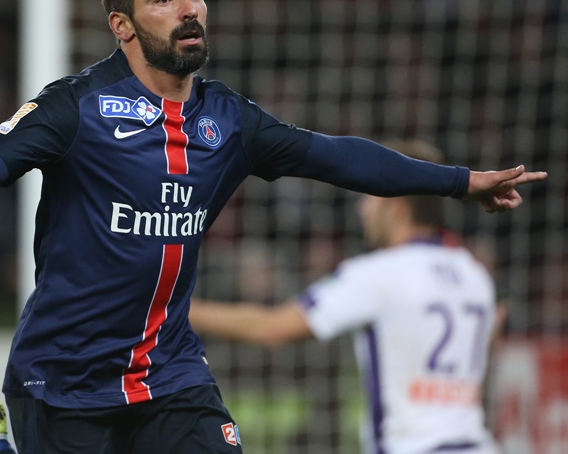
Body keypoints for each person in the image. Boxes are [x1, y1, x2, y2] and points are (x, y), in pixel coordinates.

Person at [0, 0, 545, 454]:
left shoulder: (230, 121)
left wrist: (459, 183)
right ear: (123, 25)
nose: (189, 7)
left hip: (171, 372)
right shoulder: (74, 109)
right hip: (62, 376)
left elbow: (335, 158)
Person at [190, 140, 504, 453]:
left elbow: (272, 327)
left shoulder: (379, 274)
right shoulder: (473, 274)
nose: (362, 208)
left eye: (370, 197)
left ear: (396, 208)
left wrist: (181, 308)